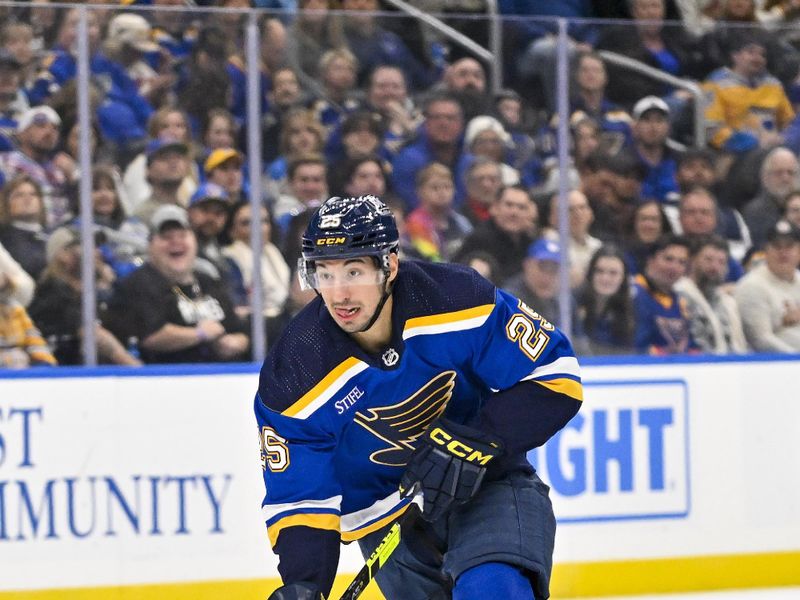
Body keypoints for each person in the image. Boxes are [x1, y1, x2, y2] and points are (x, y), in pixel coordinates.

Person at [256, 194, 582, 600]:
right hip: (385, 522)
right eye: (324, 273)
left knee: (494, 590)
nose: (338, 294)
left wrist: (476, 439)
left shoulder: (455, 300)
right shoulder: (295, 372)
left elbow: (555, 375)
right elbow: (299, 494)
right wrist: (305, 584)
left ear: (389, 265)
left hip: (486, 485)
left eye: (353, 271)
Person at [103, 205, 249, 364]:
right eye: (166, 237)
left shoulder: (208, 281)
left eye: (183, 235)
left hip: (220, 376)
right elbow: (150, 336)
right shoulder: (137, 284)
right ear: (150, 245)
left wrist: (236, 342)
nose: (176, 242)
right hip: (163, 378)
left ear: (194, 241)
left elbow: (238, 329)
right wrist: (199, 334)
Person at [675, 234, 749, 354]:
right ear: (693, 260)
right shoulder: (680, 295)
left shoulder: (728, 302)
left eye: (721, 262)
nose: (715, 267)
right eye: (708, 259)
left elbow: (740, 345)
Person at [734, 219, 800, 352]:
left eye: (789, 246)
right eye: (777, 246)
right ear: (766, 251)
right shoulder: (752, 286)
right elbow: (760, 340)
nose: (783, 252)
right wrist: (795, 359)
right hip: (775, 367)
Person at [632, 234, 696, 355]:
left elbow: (691, 346)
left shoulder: (680, 302)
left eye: (682, 262)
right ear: (650, 260)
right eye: (668, 259)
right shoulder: (633, 294)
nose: (674, 267)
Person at [576, 244, 635, 355]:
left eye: (613, 273)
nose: (605, 278)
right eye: (599, 271)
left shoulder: (634, 309)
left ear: (623, 278)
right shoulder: (573, 304)